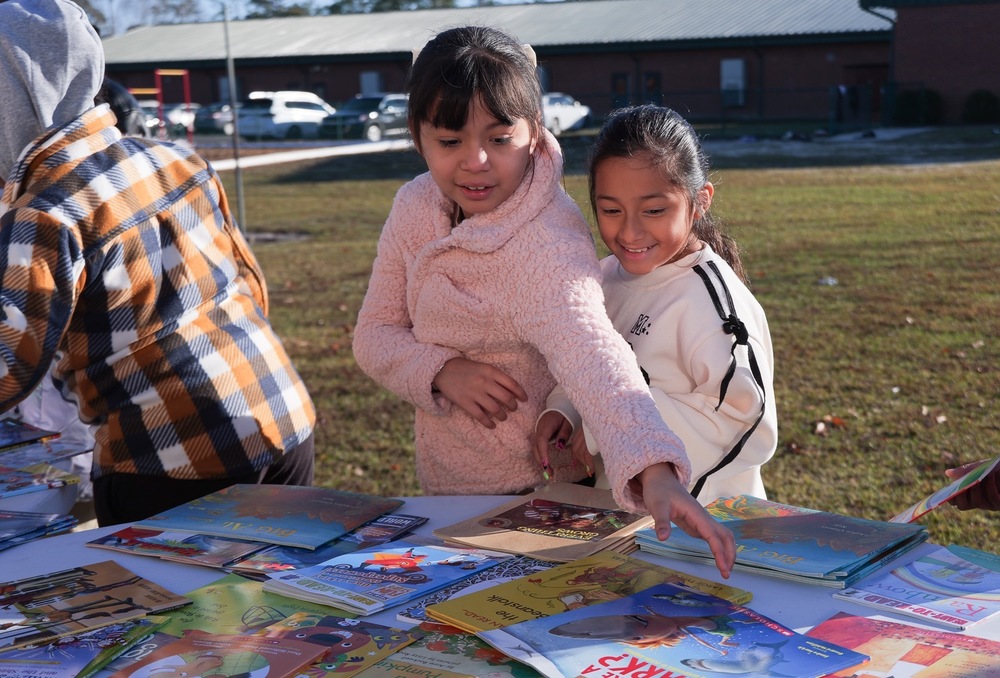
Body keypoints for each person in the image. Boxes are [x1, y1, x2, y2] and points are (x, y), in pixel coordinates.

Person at [352, 25, 735, 576]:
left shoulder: (546, 244)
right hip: (444, 479)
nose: (475, 161)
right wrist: (440, 370)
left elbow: (595, 355)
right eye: (449, 140)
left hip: (544, 495)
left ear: (535, 133)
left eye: (500, 138)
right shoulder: (415, 207)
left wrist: (654, 470)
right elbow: (375, 334)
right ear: (418, 137)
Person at [0, 0, 316, 526]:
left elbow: (9, 367)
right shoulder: (176, 158)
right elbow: (250, 286)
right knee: (275, 599)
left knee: (173, 608)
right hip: (278, 415)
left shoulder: (48, 214)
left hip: (170, 462)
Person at [534, 105, 777, 506]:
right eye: (611, 210)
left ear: (700, 201)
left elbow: (747, 424)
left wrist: (605, 422)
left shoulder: (711, 302)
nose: (629, 231)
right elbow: (585, 361)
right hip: (622, 522)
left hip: (707, 530)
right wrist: (566, 410)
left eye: (654, 210)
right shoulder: (601, 278)